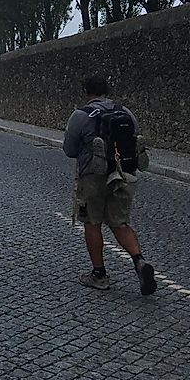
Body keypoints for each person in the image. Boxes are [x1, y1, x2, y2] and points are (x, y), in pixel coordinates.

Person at [63, 74, 157, 295]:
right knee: (120, 223)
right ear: (106, 90)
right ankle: (139, 262)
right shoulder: (126, 112)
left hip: (92, 176)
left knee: (92, 222)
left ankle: (99, 275)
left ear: (86, 91)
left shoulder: (80, 115)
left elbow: (69, 150)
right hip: (122, 173)